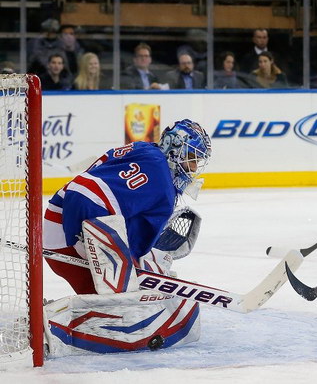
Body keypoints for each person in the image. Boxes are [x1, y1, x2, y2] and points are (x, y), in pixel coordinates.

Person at [42, 119, 211, 354]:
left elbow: (85, 187)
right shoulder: (162, 187)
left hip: (58, 220)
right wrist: (131, 258)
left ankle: (55, 319)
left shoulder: (144, 149)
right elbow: (87, 196)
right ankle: (51, 327)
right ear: (175, 149)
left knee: (113, 293)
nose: (193, 168)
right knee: (124, 301)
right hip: (71, 233)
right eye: (191, 157)